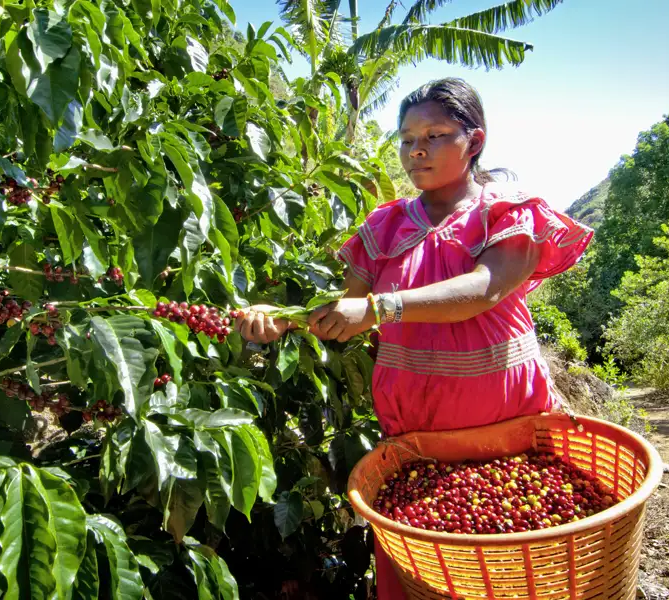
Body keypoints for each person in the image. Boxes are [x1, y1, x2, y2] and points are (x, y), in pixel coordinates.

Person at [235, 77, 593, 599]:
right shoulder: (384, 226)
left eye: (435, 134)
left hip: (506, 419)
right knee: (428, 568)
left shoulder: (507, 213)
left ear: (475, 140)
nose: (416, 149)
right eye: (406, 138)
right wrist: (284, 318)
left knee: (513, 562)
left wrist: (383, 306)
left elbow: (485, 289)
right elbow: (344, 307)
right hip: (414, 427)